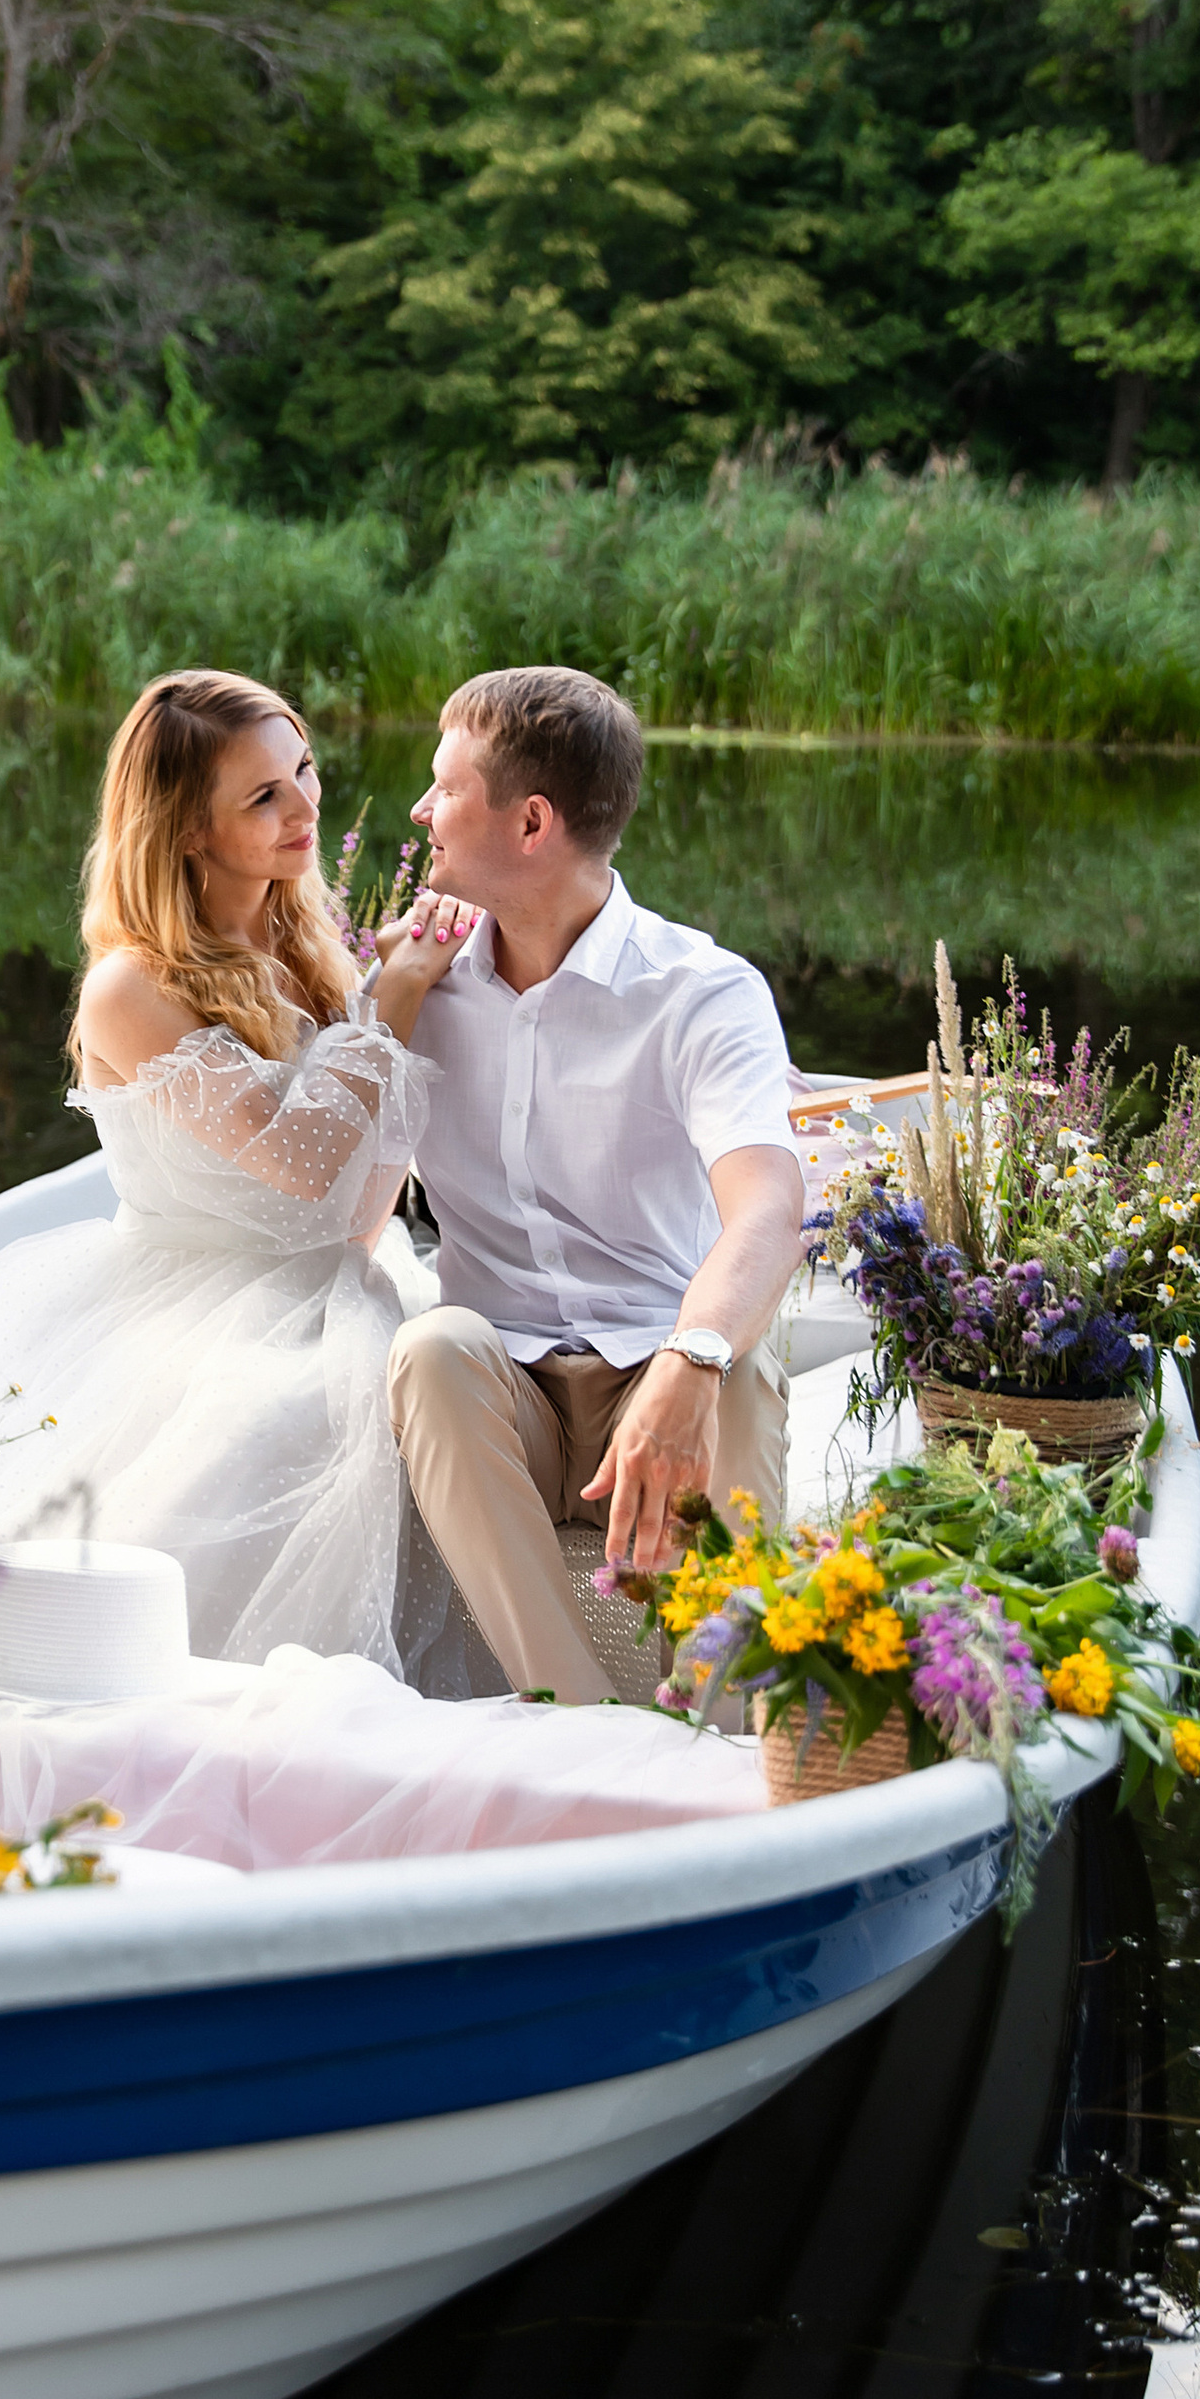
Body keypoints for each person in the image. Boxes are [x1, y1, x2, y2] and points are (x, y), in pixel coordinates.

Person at [0, 669, 487, 1689]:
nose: (304, 808)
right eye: (263, 797)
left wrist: (384, 997)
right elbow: (300, 1170)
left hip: (338, 1281)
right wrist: (393, 1005)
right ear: (187, 832)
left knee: (420, 1388)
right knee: (284, 1419)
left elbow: (352, 1217)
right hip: (198, 1297)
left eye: (303, 772)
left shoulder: (306, 947)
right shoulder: (132, 985)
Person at [382, 664, 808, 1707]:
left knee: (740, 1372)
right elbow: (350, 1202)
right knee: (431, 1348)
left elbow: (768, 1209)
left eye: (444, 789)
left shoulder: (701, 992)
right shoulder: (411, 979)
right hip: (506, 1396)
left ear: (531, 822)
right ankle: (575, 1717)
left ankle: (722, 1708)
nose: (418, 811)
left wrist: (691, 1357)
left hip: (648, 1374)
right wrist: (388, 1005)